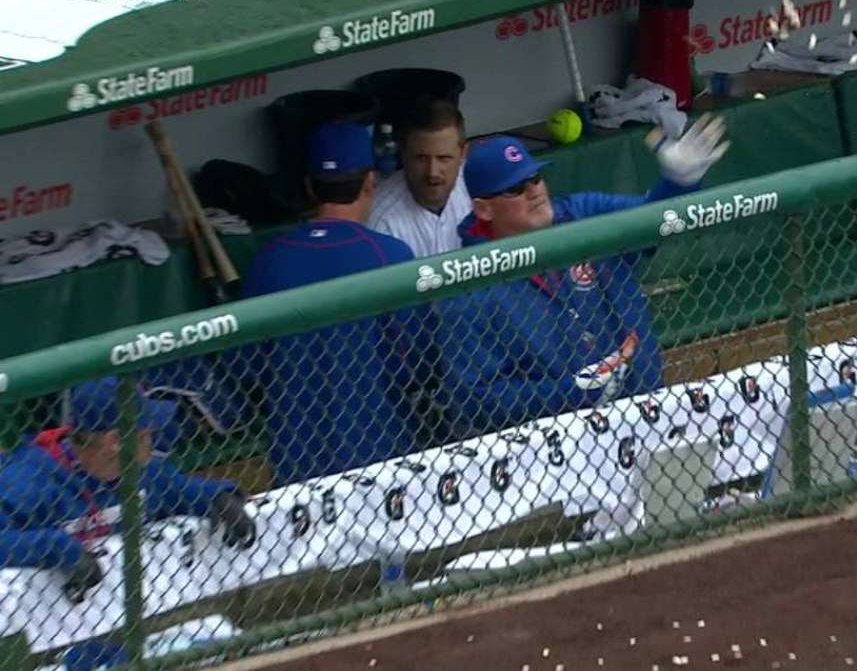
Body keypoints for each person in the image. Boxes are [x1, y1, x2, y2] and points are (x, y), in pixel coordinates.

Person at [435, 115, 729, 438]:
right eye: (516, 188)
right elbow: (473, 398)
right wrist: (569, 392)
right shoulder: (466, 287)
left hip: (646, 416)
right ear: (484, 209)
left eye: (535, 177)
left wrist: (678, 183)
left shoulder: (583, 213)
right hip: (561, 452)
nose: (534, 191)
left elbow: (653, 222)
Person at [242, 121, 438, 485]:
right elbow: (418, 362)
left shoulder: (268, 260)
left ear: (309, 186)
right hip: (380, 455)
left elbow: (249, 367)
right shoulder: (390, 255)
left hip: (294, 461)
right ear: (369, 182)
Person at [0, 377, 254, 604]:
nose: (152, 440)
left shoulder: (140, 471)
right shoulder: (28, 481)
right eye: (143, 435)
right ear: (115, 442)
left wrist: (220, 497)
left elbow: (182, 491)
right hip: (47, 635)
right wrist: (59, 550)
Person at [368, 99, 472, 257]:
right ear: (403, 154)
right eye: (421, 158)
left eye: (444, 158)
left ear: (463, 154)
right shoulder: (381, 221)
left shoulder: (478, 190)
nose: (432, 173)